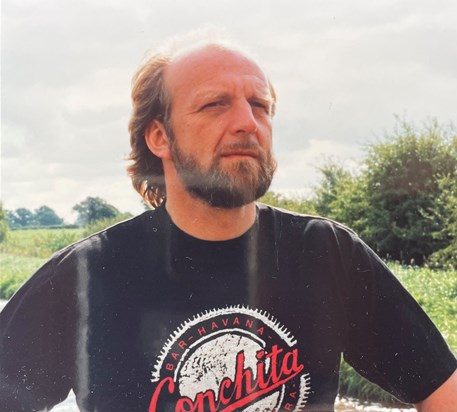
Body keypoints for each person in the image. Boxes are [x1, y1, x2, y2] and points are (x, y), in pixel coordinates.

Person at [1, 33, 456, 412]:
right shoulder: (87, 274)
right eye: (215, 104)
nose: (247, 122)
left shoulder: (327, 253)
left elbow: (444, 393)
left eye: (260, 105)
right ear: (159, 135)